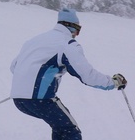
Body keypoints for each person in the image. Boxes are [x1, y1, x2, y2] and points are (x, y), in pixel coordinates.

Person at [10, 8, 127, 140]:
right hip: (41, 99)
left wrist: (25, 86)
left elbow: (14, 66)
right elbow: (87, 75)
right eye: (78, 30)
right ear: (70, 26)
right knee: (70, 130)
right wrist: (113, 82)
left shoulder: (34, 41)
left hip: (19, 100)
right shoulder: (66, 44)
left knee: (61, 127)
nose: (76, 34)